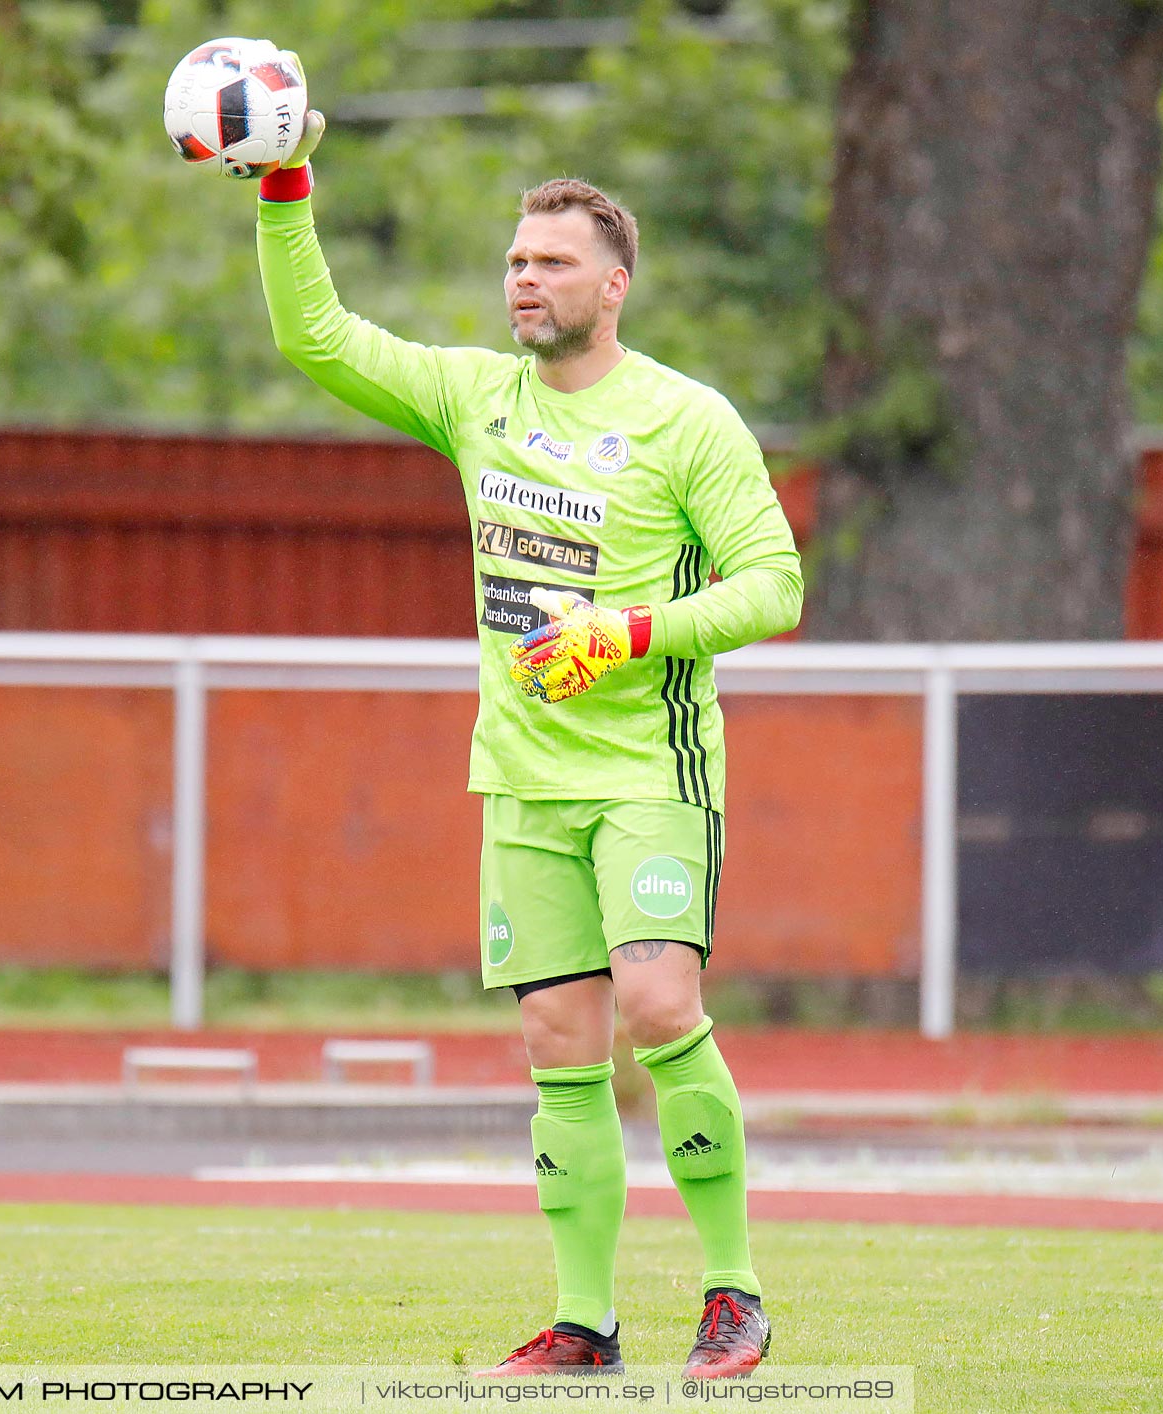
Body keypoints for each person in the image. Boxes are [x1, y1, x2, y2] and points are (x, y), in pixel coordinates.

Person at [250, 72, 802, 1380]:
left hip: (648, 774)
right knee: (559, 1044)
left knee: (661, 1004)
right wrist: (283, 190)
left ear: (615, 284)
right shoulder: (473, 398)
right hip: (523, 779)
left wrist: (628, 632)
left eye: (553, 260)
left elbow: (776, 582)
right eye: (514, 259)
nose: (524, 279)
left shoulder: (685, 418)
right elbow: (317, 339)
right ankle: (587, 1322)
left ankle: (734, 1289)